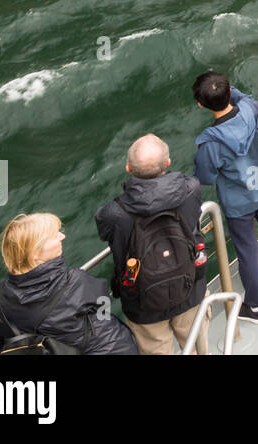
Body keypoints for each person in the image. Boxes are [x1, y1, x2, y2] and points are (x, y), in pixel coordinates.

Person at [193, 71, 258, 324]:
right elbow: (249, 99)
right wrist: (229, 89)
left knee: (247, 251)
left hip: (238, 203)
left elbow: (205, 176)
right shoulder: (250, 110)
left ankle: (257, 306)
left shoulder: (209, 143)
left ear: (200, 104)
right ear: (230, 93)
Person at [94, 134, 210, 354]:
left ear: (128, 168)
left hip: (142, 301)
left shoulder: (114, 213)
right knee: (197, 345)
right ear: (167, 164)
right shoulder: (190, 189)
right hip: (190, 288)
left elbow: (104, 230)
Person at [0, 212, 139, 354]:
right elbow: (103, 303)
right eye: (54, 236)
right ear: (35, 254)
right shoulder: (74, 282)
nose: (62, 236)